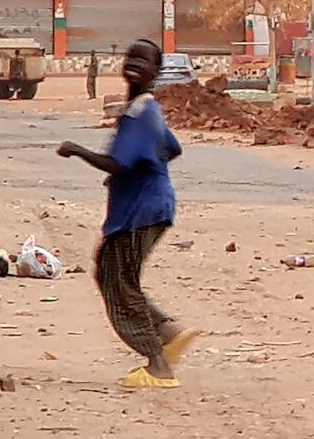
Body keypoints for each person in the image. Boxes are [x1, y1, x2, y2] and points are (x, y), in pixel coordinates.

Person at [57, 39, 197, 389]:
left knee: (118, 282)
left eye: (143, 60)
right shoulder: (145, 109)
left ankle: (157, 363)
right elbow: (171, 149)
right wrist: (141, 170)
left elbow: (118, 162)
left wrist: (77, 150)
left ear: (155, 72)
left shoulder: (139, 113)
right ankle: (166, 330)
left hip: (140, 211)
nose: (134, 63)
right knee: (114, 275)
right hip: (147, 206)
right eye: (130, 57)